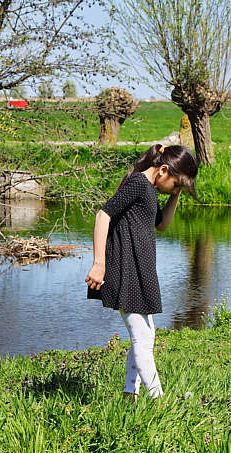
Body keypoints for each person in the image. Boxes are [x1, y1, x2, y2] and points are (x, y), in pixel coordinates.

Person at [85, 144, 198, 401]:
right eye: (176, 184)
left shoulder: (149, 189)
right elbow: (103, 215)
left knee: (145, 336)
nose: (175, 189)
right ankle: (159, 403)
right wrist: (99, 263)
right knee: (142, 338)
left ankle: (129, 395)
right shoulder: (138, 184)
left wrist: (176, 193)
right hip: (126, 271)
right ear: (163, 170)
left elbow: (162, 225)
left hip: (139, 271)